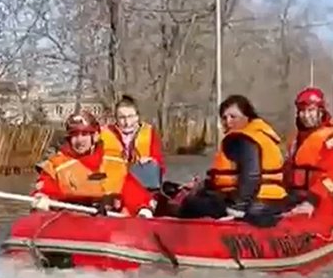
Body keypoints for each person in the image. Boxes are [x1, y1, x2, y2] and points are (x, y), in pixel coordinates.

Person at [177, 94, 288, 226]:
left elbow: (251, 176)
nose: (228, 122)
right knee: (203, 197)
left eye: (233, 117)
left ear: (247, 117)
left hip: (255, 205)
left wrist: (237, 209)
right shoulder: (260, 134)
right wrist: (202, 185)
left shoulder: (243, 140)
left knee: (191, 204)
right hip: (273, 201)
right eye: (224, 118)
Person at [31, 110, 156, 217]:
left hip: (113, 222)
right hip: (72, 223)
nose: (79, 140)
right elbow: (45, 188)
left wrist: (143, 207)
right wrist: (42, 198)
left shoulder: (114, 161)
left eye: (84, 134)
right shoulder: (56, 165)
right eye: (74, 135)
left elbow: (131, 189)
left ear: (95, 136)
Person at [283, 87, 333, 216]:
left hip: (322, 202)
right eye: (302, 111)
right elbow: (287, 172)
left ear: (321, 112)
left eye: (311, 110)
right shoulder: (294, 140)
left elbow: (330, 177)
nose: (306, 115)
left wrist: (312, 201)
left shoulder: (329, 138)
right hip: (295, 200)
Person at [100, 94, 165, 191]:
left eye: (130, 116)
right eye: (122, 118)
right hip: (114, 189)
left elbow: (160, 164)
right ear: (116, 119)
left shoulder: (150, 133)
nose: (127, 122)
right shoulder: (104, 134)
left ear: (137, 117)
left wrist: (151, 161)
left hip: (142, 188)